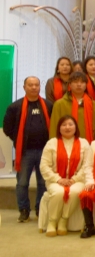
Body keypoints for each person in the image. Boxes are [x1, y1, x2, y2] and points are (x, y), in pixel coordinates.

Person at [3, 76, 51, 223]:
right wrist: (18, 138)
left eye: (36, 85)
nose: (34, 87)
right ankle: (24, 210)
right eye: (30, 85)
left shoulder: (48, 105)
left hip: (45, 151)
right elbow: (7, 128)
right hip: (25, 152)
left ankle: (40, 208)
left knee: (43, 183)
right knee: (22, 182)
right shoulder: (15, 107)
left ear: (40, 87)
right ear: (24, 87)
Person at [40, 115, 93, 237]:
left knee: (74, 192)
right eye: (64, 125)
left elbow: (87, 165)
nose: (67, 127)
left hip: (78, 180)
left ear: (75, 127)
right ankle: (52, 221)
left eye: (70, 124)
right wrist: (58, 179)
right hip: (55, 180)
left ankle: (64, 220)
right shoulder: (51, 143)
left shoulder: (84, 143)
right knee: (59, 192)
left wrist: (74, 179)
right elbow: (44, 166)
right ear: (59, 128)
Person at [50, 72, 95, 142]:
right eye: (75, 82)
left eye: (82, 82)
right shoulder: (59, 104)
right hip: (64, 144)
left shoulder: (93, 104)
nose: (79, 84)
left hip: (88, 144)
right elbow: (54, 128)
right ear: (70, 85)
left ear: (86, 85)